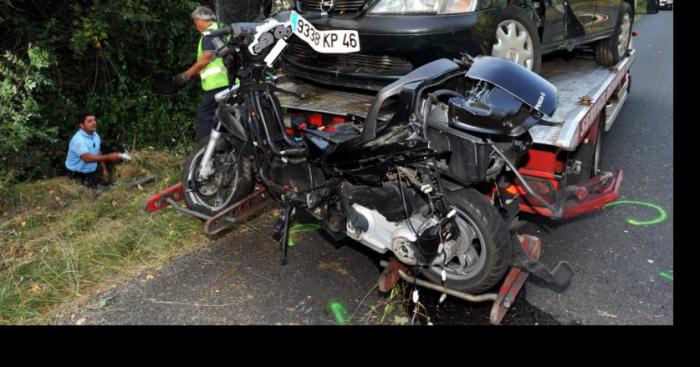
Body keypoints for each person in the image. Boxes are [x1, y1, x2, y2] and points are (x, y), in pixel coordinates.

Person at [172, 6, 235, 141]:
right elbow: (217, 60)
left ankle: (204, 149)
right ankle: (224, 148)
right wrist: (198, 76)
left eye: (195, 23)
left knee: (204, 114)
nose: (196, 27)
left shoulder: (210, 33)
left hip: (218, 84)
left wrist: (186, 75)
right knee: (224, 117)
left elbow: (206, 58)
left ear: (200, 20)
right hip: (229, 81)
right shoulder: (223, 30)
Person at [65, 114, 125, 189]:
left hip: (90, 172)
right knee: (86, 194)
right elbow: (86, 158)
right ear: (82, 125)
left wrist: (104, 169)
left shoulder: (95, 135)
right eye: (89, 121)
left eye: (94, 120)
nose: (94, 123)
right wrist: (109, 157)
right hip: (76, 174)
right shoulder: (78, 140)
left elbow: (98, 151)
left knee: (94, 189)